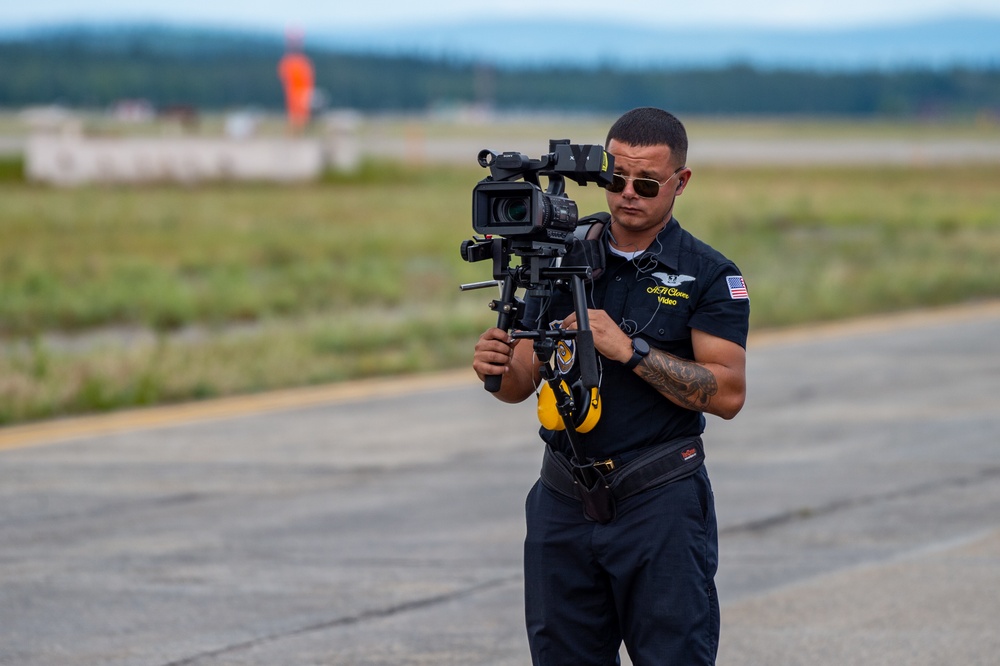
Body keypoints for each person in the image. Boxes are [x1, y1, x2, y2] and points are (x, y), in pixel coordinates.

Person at [472, 107, 749, 665]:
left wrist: (630, 350)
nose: (628, 193)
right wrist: (496, 368)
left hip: (659, 501)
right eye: (615, 177)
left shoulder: (708, 273)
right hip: (564, 497)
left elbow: (727, 394)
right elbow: (520, 383)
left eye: (646, 182)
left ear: (681, 182)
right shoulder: (557, 253)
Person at [278, 30, 314, 133]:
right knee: (294, 113)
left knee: (301, 113)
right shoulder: (289, 61)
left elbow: (308, 79)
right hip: (293, 95)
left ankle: (300, 129)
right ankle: (296, 130)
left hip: (301, 94)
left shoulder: (303, 62)